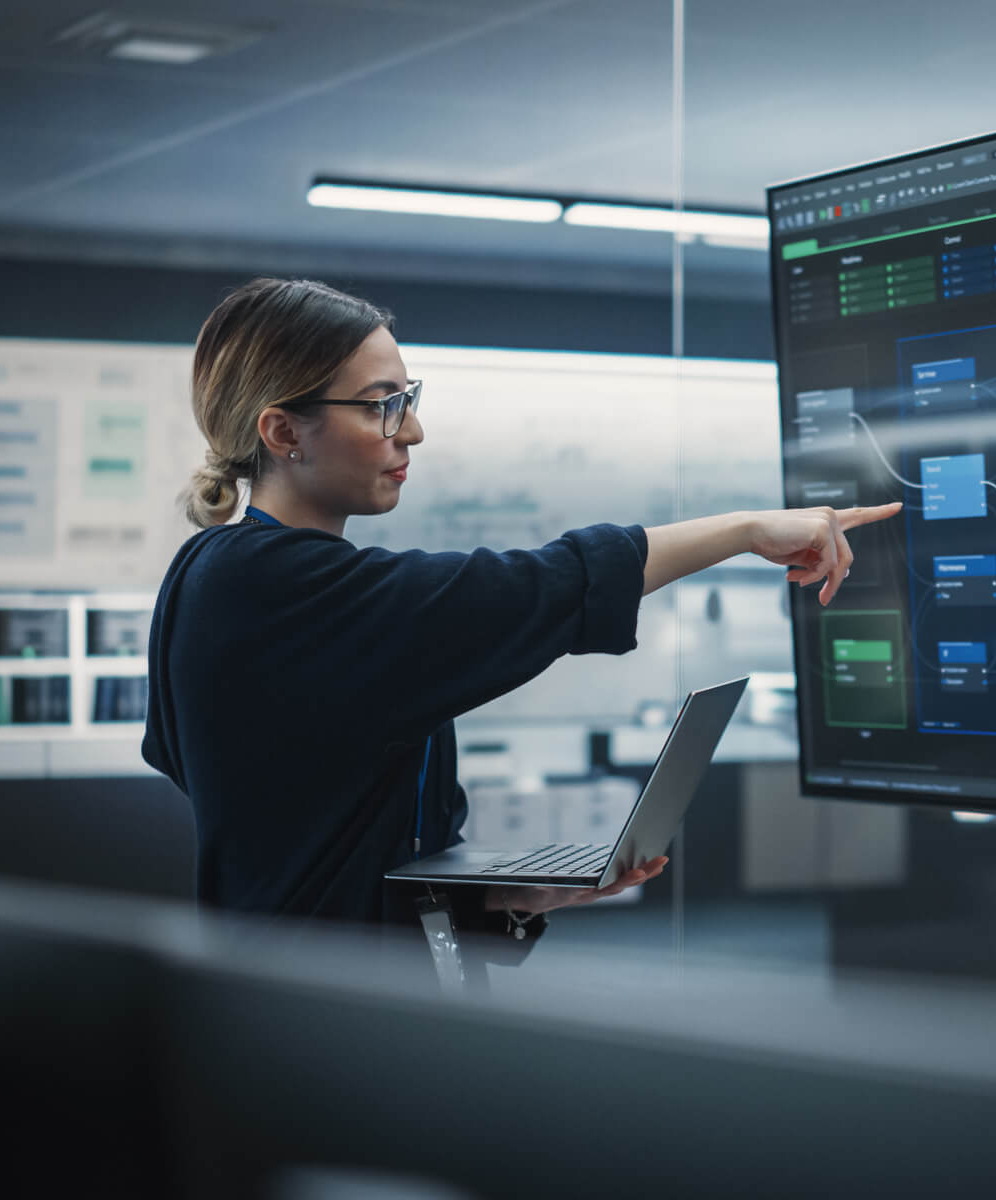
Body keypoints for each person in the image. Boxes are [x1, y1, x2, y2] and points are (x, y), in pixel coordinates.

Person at [144, 277, 899, 935]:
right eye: (381, 406)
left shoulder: (217, 571)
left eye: (407, 399)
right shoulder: (268, 584)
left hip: (341, 998)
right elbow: (537, 587)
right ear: (282, 432)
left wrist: (505, 894)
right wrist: (743, 530)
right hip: (311, 1018)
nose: (411, 429)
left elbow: (313, 823)